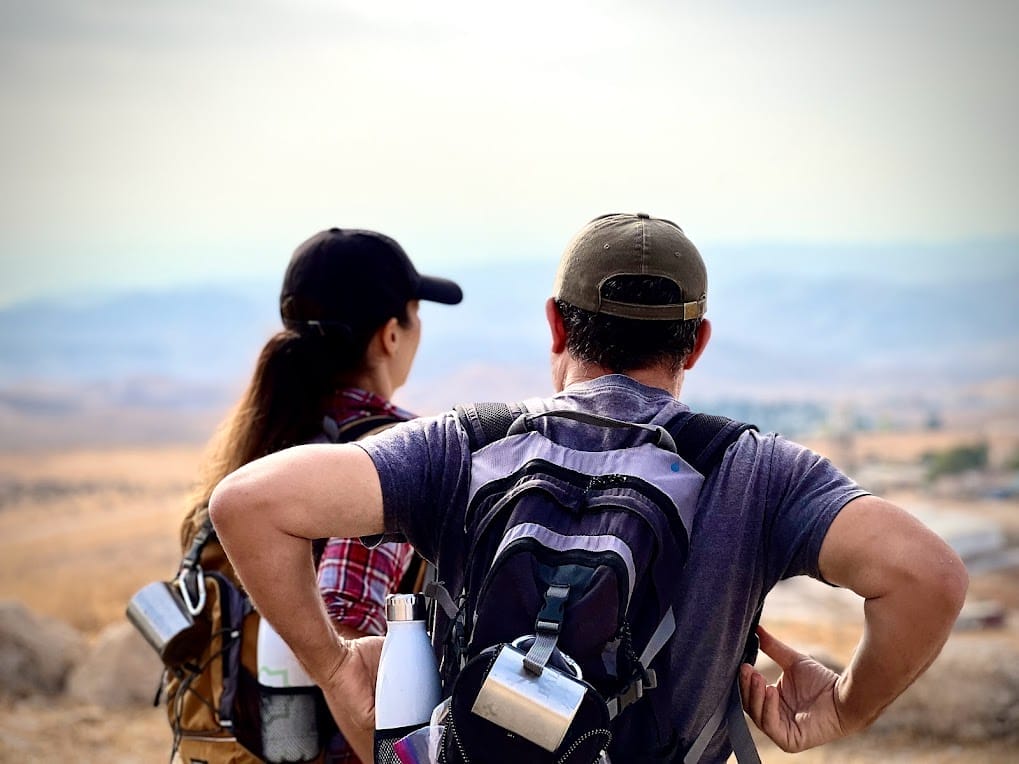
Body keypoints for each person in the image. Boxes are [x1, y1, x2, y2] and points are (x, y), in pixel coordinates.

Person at [208, 213, 968, 762]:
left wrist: (338, 671)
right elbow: (926, 576)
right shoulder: (756, 471)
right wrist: (842, 707)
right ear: (696, 341)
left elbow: (249, 503)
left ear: (555, 326)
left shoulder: (463, 445)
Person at [175, 227, 462, 763]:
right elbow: (347, 639)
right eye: (415, 312)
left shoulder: (264, 440)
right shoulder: (385, 458)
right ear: (390, 336)